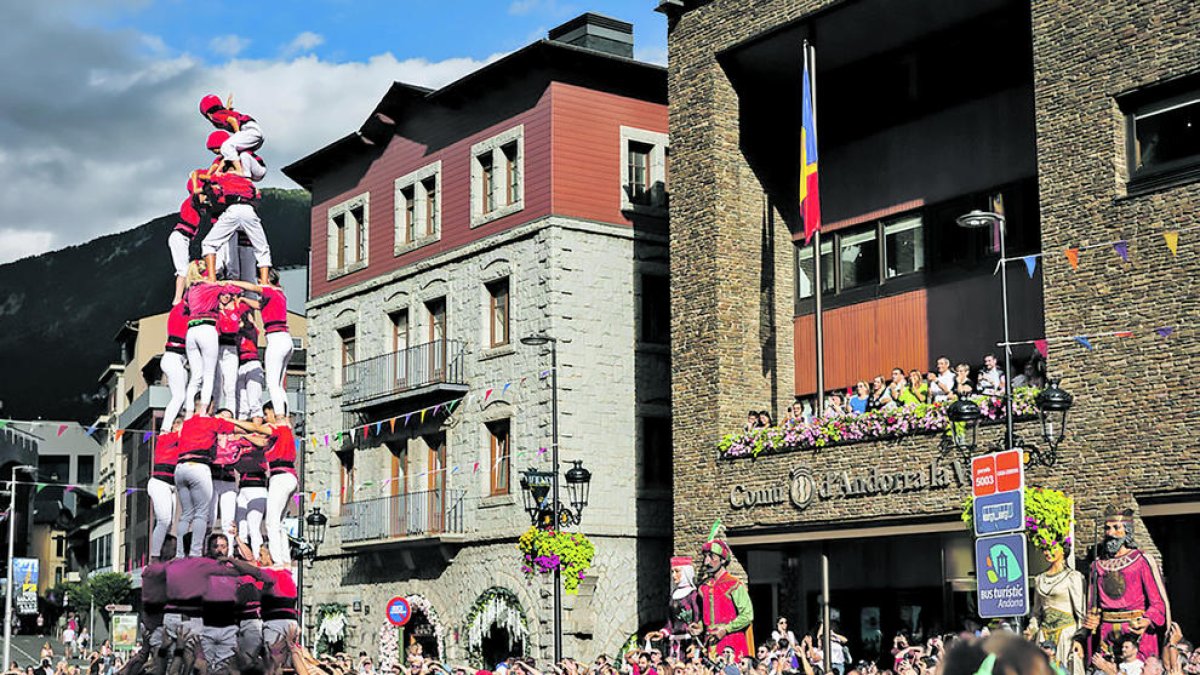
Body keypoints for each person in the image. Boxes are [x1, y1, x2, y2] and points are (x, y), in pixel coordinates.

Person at [1083, 506, 1169, 662]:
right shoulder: (1098, 565)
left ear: (1127, 531)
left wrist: (1147, 620)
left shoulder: (1140, 560)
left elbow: (1157, 604)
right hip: (1107, 633)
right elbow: (1092, 605)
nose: (1110, 533)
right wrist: (1090, 619)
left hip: (1134, 630)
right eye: (1107, 528)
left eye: (1117, 528)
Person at [200, 170, 271, 286]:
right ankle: (264, 283)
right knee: (262, 247)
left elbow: (203, 177)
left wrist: (216, 174)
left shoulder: (226, 176)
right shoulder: (248, 182)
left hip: (233, 209)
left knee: (208, 243)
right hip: (249, 210)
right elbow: (257, 195)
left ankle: (211, 278)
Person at [1026, 541, 1085, 675]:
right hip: (1044, 635)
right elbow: (1036, 612)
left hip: (1066, 635)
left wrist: (1079, 639)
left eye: (1051, 548)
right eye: (1045, 549)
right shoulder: (1039, 579)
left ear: (1063, 551)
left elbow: (1081, 613)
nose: (1047, 552)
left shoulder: (1073, 577)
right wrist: (1032, 629)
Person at [697, 539, 753, 660]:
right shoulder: (704, 587)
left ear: (722, 560)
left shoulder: (734, 584)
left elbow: (747, 615)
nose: (706, 561)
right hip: (710, 645)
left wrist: (726, 629)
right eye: (705, 557)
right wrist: (700, 627)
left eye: (712, 557)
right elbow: (708, 617)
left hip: (731, 643)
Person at [645, 557, 702, 660]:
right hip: (673, 644)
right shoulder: (673, 595)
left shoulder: (693, 595)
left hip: (688, 643)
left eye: (677, 571)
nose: (673, 575)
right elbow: (670, 623)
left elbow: (697, 620)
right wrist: (662, 633)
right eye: (672, 571)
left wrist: (694, 641)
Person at [262, 405, 298, 564]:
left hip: (280, 477)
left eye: (266, 413)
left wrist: (233, 423)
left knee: (271, 521)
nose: (265, 417)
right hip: (288, 477)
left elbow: (258, 429)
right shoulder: (285, 431)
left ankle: (278, 560)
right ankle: (285, 559)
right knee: (280, 522)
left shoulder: (279, 428)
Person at [199, 94, 264, 178]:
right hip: (256, 132)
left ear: (207, 114)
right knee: (238, 153)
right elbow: (229, 115)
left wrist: (237, 134)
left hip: (249, 130)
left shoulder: (215, 116)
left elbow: (232, 120)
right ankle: (246, 172)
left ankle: (239, 170)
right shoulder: (222, 113)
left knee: (226, 146)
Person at [149, 422, 181, 561]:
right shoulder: (166, 438)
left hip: (172, 484)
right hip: (160, 482)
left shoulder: (182, 444)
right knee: (164, 520)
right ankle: (154, 555)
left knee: (170, 524)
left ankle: (165, 554)